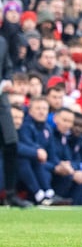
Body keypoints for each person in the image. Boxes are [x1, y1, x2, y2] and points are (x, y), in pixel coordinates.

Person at [0, 34, 32, 207]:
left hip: (2, 103)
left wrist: (6, 81)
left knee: (11, 143)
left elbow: (7, 68)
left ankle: (11, 194)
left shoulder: (2, 41)